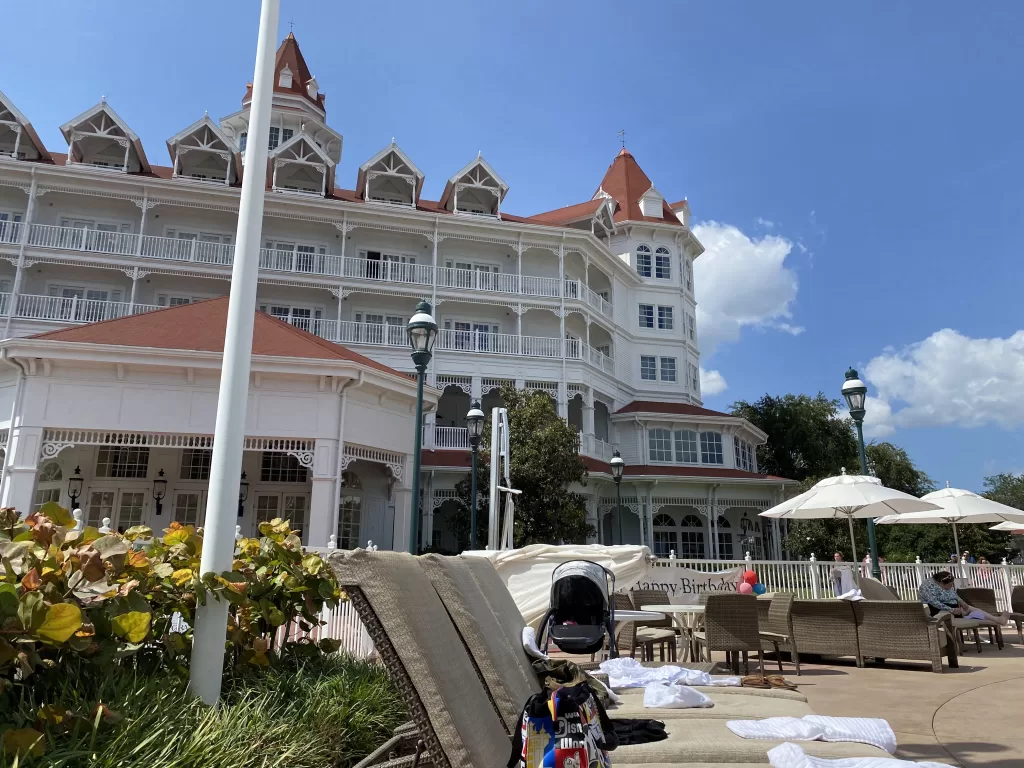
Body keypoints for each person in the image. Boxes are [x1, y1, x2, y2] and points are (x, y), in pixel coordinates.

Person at [918, 571, 1005, 624]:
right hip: (934, 609)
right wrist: (952, 610)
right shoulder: (927, 586)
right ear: (942, 583)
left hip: (950, 606)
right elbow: (934, 603)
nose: (952, 586)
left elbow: (952, 593)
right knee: (950, 618)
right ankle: (956, 644)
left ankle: (997, 620)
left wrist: (961, 601)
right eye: (951, 584)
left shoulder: (943, 583)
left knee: (970, 608)